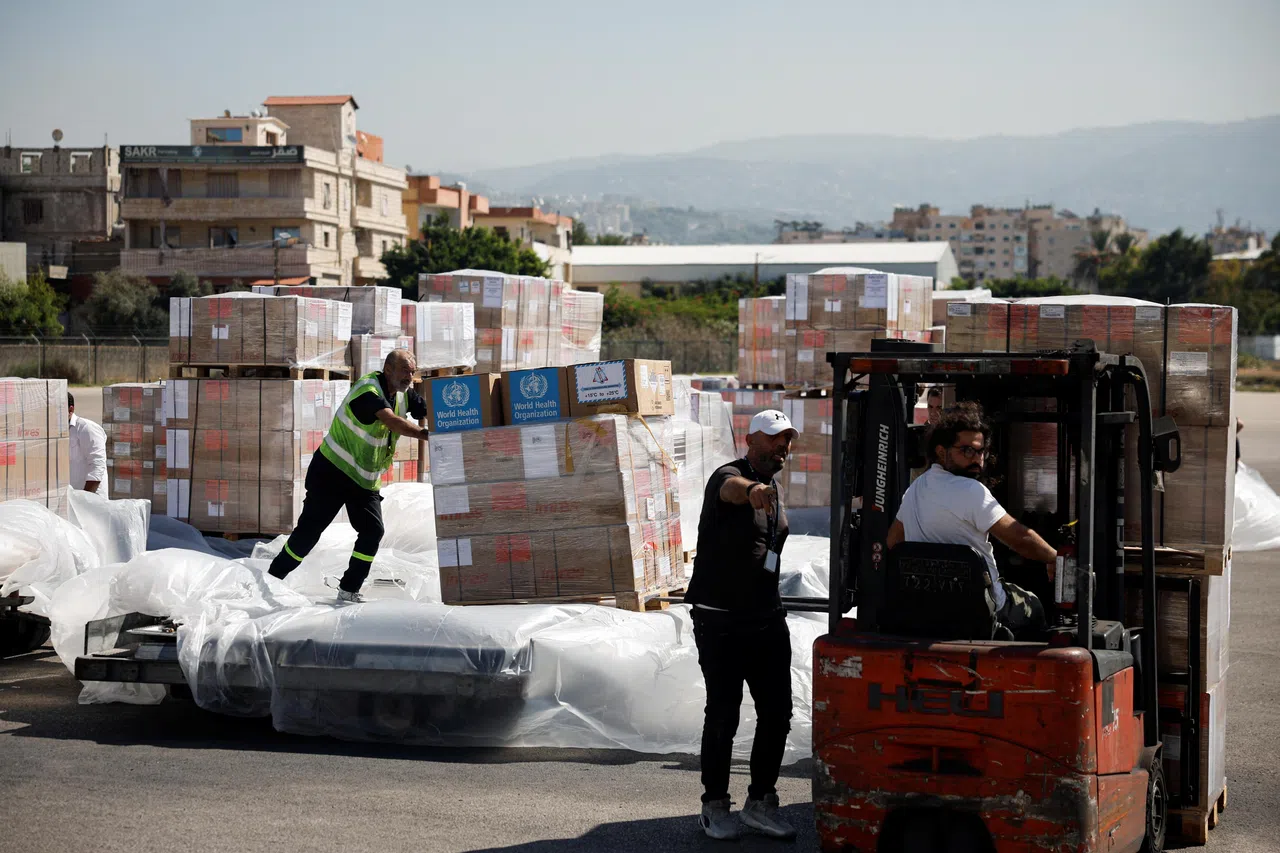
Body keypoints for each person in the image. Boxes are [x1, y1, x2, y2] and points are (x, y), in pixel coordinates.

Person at [684, 409, 798, 841]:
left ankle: (760, 802)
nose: (781, 446)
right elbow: (732, 490)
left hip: (765, 617)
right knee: (724, 713)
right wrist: (751, 491)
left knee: (777, 713)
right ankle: (714, 805)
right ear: (750, 439)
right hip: (721, 620)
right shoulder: (729, 476)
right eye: (773, 438)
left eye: (786, 439)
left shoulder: (776, 487)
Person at [268, 349, 429, 604]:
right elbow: (393, 422)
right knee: (308, 535)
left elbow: (424, 408)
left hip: (363, 481)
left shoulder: (402, 393)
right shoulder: (368, 391)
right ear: (388, 370)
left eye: (412, 372)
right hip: (332, 473)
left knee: (372, 532)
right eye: (404, 371)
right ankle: (272, 579)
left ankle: (349, 589)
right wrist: (426, 435)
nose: (410, 377)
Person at [887, 403, 1056, 640]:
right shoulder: (971, 490)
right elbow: (1019, 537)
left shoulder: (915, 490)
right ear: (942, 452)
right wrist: (1053, 558)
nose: (977, 459)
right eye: (966, 451)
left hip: (925, 610)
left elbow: (893, 541)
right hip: (979, 612)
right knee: (1034, 606)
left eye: (980, 451)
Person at [68, 393, 108, 494]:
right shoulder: (55, 433)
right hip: (72, 498)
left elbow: (97, 465)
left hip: (92, 498)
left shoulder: (86, 428)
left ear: (70, 409)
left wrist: (86, 498)